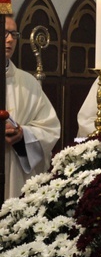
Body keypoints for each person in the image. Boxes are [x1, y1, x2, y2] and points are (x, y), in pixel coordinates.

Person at [3, 15, 60, 199]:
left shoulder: (28, 83)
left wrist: (22, 134)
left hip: (15, 176)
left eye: (14, 34)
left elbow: (50, 129)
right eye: (4, 33)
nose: (10, 39)